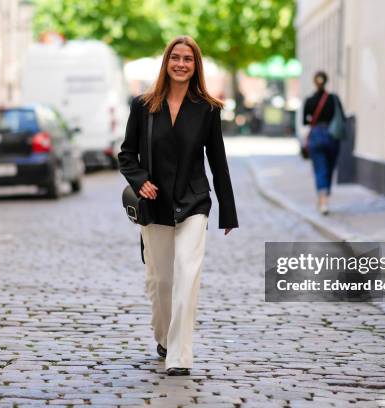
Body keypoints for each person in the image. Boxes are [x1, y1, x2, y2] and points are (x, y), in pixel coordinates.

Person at [118, 36, 239, 376]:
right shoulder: (143, 106)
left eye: (188, 58)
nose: (182, 63)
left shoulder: (207, 109)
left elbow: (218, 161)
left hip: (194, 202)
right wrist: (139, 179)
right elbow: (126, 154)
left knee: (188, 274)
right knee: (160, 280)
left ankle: (179, 356)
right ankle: (164, 338)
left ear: (195, 65)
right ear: (167, 62)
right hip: (154, 204)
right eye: (176, 57)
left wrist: (227, 210)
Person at [302, 71, 345, 215]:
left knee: (320, 169)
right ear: (326, 81)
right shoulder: (333, 99)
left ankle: (322, 200)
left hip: (315, 136)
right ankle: (324, 198)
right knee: (329, 168)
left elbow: (305, 121)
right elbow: (342, 117)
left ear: (315, 82)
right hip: (331, 136)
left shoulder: (309, 100)